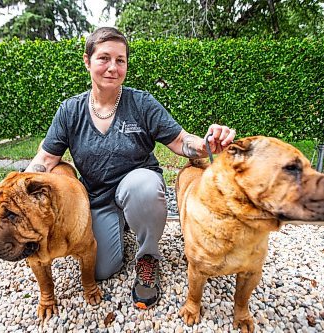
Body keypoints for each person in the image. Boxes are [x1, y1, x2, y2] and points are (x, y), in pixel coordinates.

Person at [25, 27, 236, 310]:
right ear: (87, 61)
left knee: (144, 187)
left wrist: (207, 144)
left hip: (137, 186)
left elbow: (180, 141)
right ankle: (122, 223)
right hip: (97, 198)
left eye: (120, 60)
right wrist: (17, 186)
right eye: (104, 58)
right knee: (102, 270)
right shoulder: (70, 110)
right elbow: (46, 158)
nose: (113, 67)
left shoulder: (142, 103)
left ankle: (148, 257)